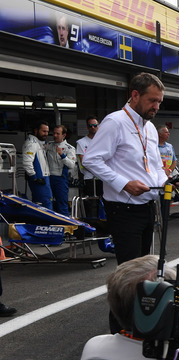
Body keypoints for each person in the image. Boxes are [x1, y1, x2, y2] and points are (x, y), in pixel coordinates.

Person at [83, 73, 168, 266]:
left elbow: (155, 165)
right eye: (152, 100)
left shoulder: (150, 128)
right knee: (130, 270)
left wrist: (164, 181)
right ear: (135, 95)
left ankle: (138, 297)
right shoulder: (115, 122)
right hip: (124, 209)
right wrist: (124, 184)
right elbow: (91, 160)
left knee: (144, 268)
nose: (156, 106)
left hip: (148, 207)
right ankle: (126, 297)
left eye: (159, 102)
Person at [46, 124, 78, 216]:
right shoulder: (49, 145)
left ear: (63, 135)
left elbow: (71, 165)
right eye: (54, 133)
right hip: (48, 177)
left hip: (60, 178)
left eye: (58, 133)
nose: (55, 135)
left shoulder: (70, 148)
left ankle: (65, 227)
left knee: (62, 205)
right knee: (47, 203)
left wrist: (62, 155)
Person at [22, 120, 52, 210]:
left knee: (39, 205)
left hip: (42, 177)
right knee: (45, 205)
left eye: (47, 132)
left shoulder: (38, 142)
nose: (46, 134)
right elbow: (27, 162)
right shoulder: (31, 143)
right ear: (36, 130)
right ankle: (47, 224)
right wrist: (34, 177)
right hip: (39, 178)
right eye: (43, 131)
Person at [77, 116, 102, 197]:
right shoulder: (81, 142)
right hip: (89, 178)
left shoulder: (104, 140)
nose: (93, 127)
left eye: (95, 125)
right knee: (91, 204)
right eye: (91, 126)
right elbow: (83, 162)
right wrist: (97, 171)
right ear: (87, 127)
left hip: (104, 177)